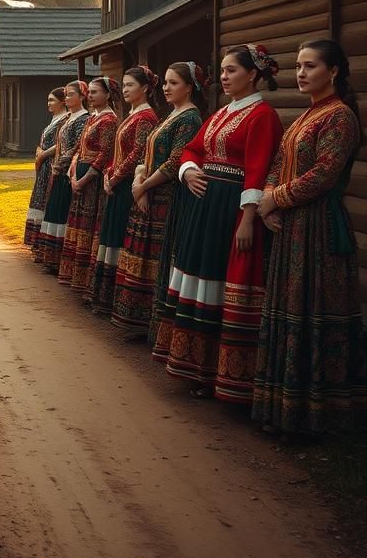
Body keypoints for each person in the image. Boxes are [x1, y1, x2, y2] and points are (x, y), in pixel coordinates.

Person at [253, 40, 367, 437]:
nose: (301, 73)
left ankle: (316, 416)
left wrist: (275, 201)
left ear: (334, 70)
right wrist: (269, 199)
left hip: (318, 227)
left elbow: (323, 174)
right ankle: (284, 409)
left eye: (311, 66)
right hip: (292, 224)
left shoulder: (340, 117)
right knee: (290, 306)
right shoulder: (307, 114)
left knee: (312, 306)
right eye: (299, 66)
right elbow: (277, 163)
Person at [153, 44, 283, 402]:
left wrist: (247, 220)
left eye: (232, 71)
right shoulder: (223, 113)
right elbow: (193, 148)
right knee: (200, 277)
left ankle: (219, 373)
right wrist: (189, 170)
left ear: (253, 75)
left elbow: (257, 170)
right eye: (223, 71)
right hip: (204, 207)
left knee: (220, 282)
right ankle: (193, 364)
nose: (224, 77)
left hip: (231, 210)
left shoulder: (262, 115)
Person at [111, 63, 205, 340]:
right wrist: (140, 180)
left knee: (157, 258)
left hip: (167, 197)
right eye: (165, 82)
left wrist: (143, 187)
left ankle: (151, 326)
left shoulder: (190, 119)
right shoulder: (170, 115)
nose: (166, 87)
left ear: (189, 87)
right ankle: (134, 319)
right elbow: (147, 154)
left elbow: (176, 160)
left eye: (173, 83)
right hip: (148, 192)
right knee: (142, 255)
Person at [88, 68, 159, 314]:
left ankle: (115, 300)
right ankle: (104, 298)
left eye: (131, 85)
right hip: (116, 183)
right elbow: (118, 152)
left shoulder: (147, 117)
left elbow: (138, 152)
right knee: (111, 236)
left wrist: (115, 177)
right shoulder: (131, 115)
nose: (126, 90)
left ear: (146, 88)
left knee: (119, 237)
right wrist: (109, 174)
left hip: (128, 184)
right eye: (125, 85)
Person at [58, 77, 120, 292]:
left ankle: (88, 282)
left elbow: (104, 154)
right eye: (90, 92)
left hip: (92, 182)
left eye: (95, 92)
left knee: (90, 226)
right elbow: (79, 149)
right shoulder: (93, 118)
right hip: (80, 176)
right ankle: (77, 278)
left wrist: (84, 179)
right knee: (79, 225)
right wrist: (73, 174)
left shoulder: (109, 120)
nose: (91, 96)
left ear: (108, 95)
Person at [39, 81, 90, 273]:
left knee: (62, 213)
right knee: (54, 211)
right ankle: (50, 257)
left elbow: (77, 146)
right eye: (66, 95)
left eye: (70, 95)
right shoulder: (68, 118)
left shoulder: (84, 118)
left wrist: (60, 165)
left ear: (82, 97)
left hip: (68, 172)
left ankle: (60, 259)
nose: (67, 98)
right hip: (58, 172)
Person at [25, 89, 67, 259]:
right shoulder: (53, 119)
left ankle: (44, 246)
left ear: (62, 102)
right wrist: (39, 151)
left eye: (52, 100)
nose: (49, 103)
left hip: (51, 164)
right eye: (48, 100)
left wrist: (44, 153)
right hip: (43, 165)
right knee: (40, 201)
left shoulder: (65, 119)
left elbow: (60, 144)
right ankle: (38, 244)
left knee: (47, 203)